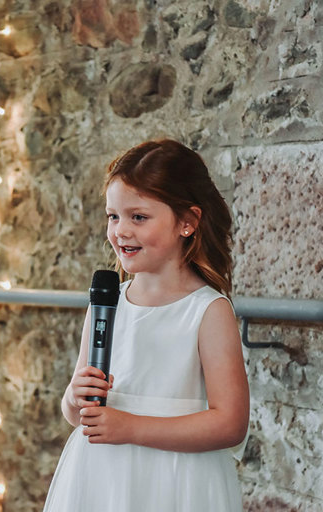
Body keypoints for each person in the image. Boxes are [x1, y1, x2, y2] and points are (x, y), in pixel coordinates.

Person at [43, 139, 250, 511]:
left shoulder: (207, 311)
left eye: (138, 217)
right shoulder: (106, 304)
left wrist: (132, 428)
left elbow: (230, 423)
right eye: (113, 216)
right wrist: (74, 396)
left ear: (187, 222)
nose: (121, 231)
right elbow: (77, 414)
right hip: (102, 475)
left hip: (175, 481)